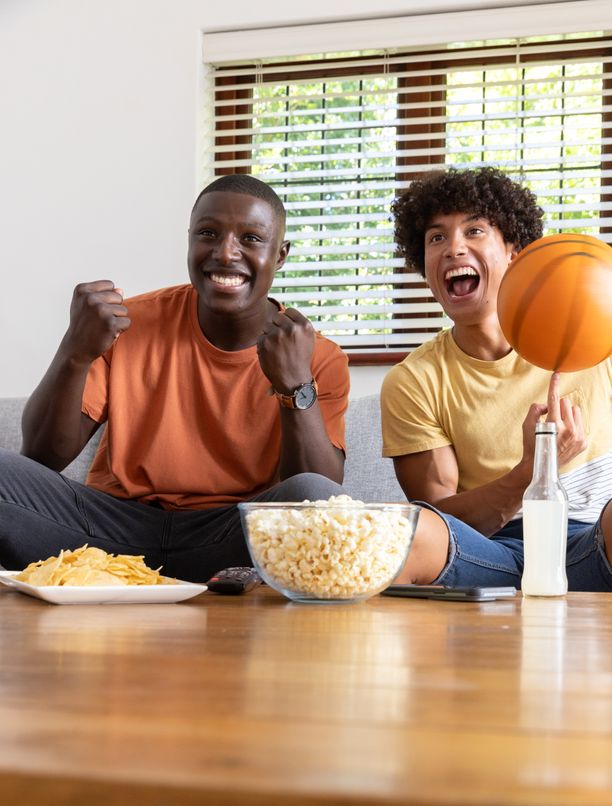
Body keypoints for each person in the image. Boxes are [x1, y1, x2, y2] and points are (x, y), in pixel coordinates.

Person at [381, 166, 612, 594]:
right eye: (437, 238)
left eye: (475, 231)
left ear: (514, 252)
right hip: (489, 554)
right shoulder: (413, 380)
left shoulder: (599, 333)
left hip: (590, 546)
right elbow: (440, 518)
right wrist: (531, 471)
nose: (454, 248)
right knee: (400, 529)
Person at [1, 174, 355, 582]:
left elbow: (322, 498)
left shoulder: (318, 356)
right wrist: (74, 352)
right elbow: (42, 457)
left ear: (280, 255)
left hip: (233, 536)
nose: (225, 253)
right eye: (208, 233)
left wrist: (295, 384)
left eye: (251, 239)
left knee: (312, 497)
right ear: (189, 242)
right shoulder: (128, 324)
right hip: (108, 532)